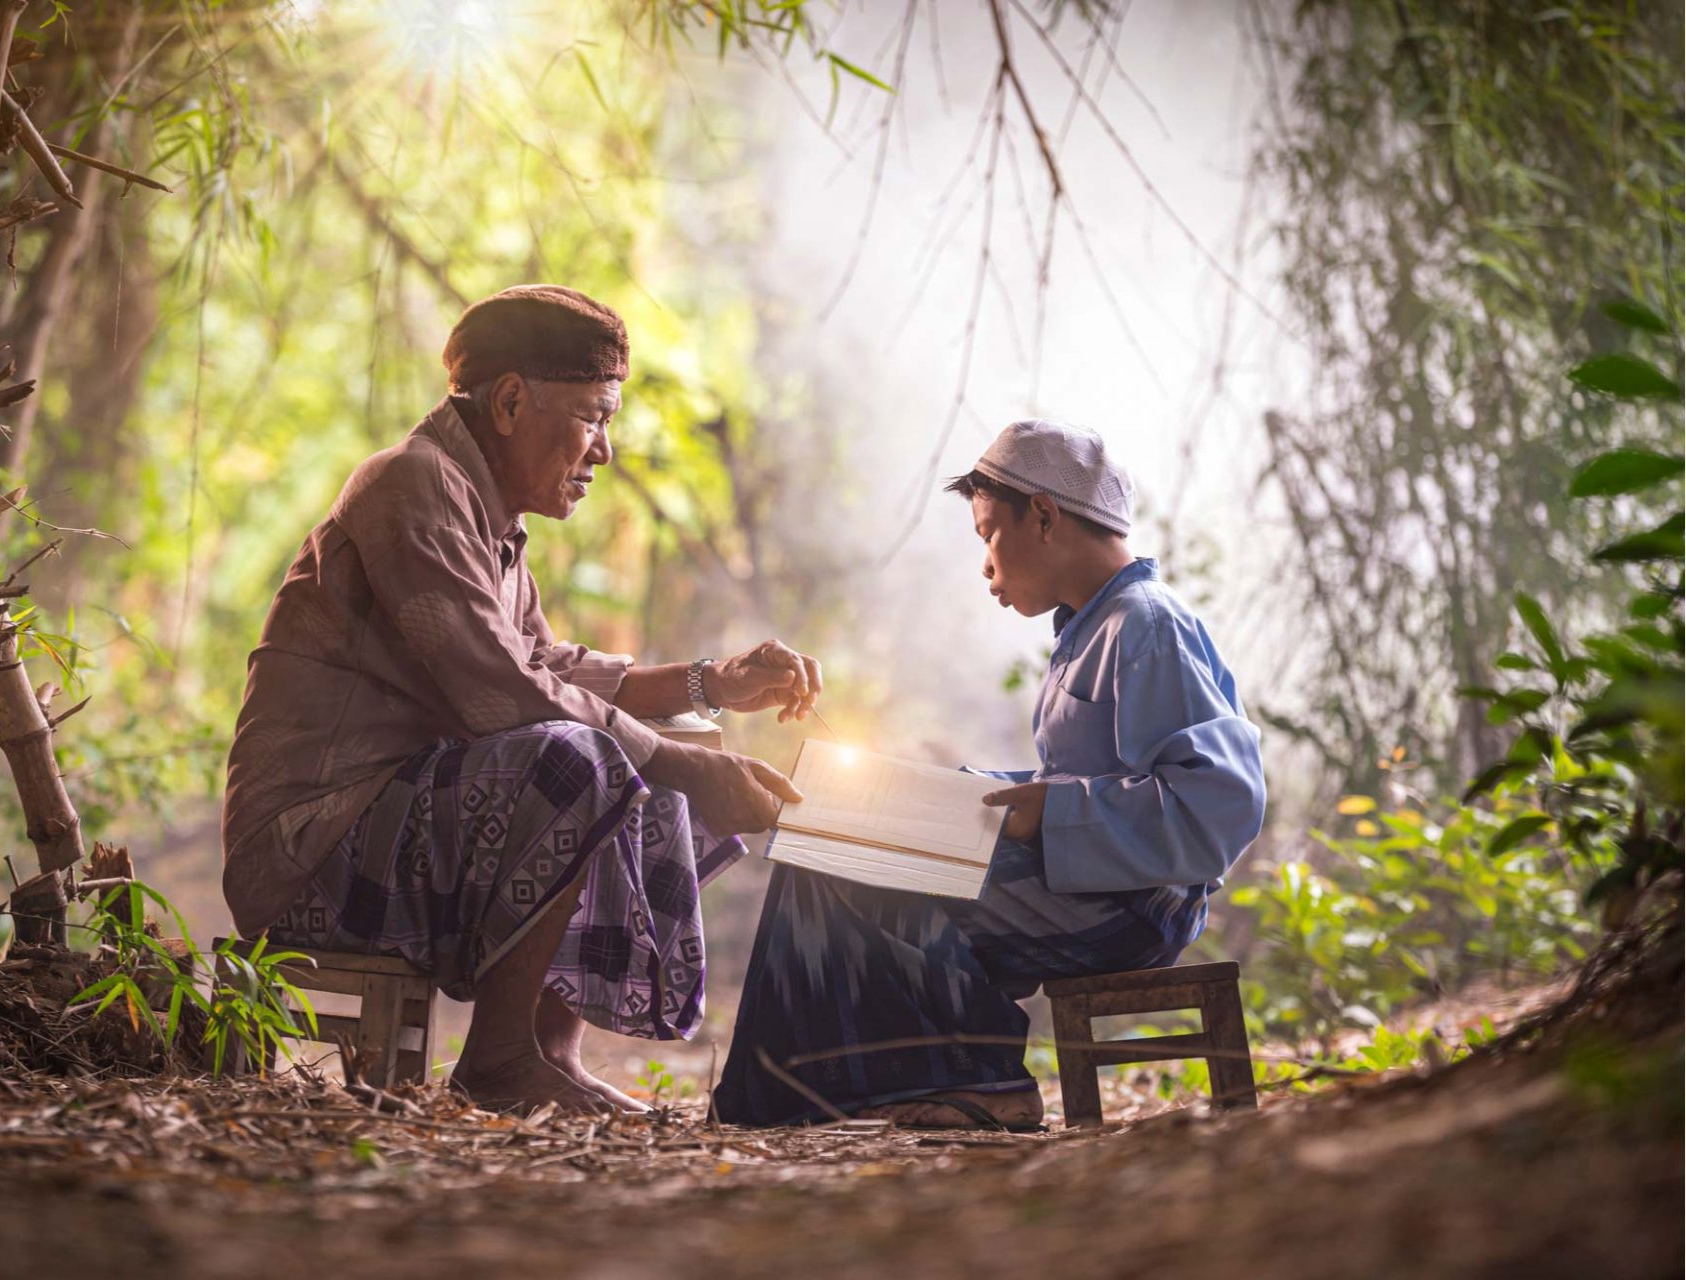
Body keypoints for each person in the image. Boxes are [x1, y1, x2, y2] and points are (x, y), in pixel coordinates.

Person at [222, 285, 822, 1115]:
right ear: (509, 402)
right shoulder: (410, 486)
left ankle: (549, 1051)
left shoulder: (490, 517)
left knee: (659, 741)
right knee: (583, 755)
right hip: (310, 854)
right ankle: (498, 1059)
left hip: (394, 832)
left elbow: (545, 664)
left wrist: (710, 684)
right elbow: (504, 692)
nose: (603, 451)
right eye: (594, 417)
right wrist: (680, 765)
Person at [714, 420, 1265, 1129]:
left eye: (986, 536)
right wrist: (968, 791)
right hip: (1086, 883)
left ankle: (975, 1078)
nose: (986, 567)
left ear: (1042, 514)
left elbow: (1216, 809)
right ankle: (795, 1097)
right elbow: (1083, 781)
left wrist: (1054, 812)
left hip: (1127, 907)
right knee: (820, 840)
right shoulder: (1092, 629)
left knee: (844, 865)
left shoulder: (1145, 624)